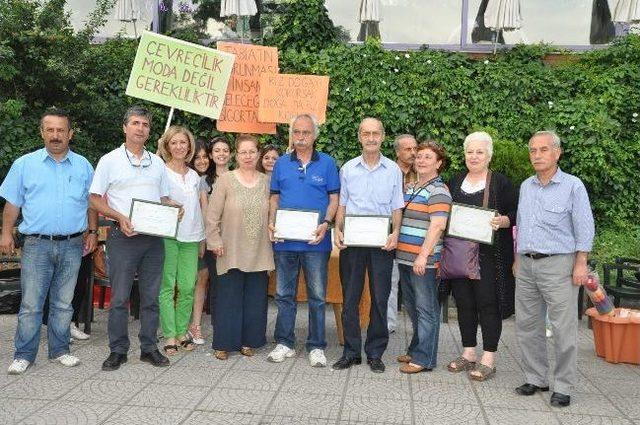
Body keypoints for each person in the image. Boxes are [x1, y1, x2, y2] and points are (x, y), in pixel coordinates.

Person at [0, 108, 97, 374]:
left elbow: (92, 203)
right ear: (42, 132)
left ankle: (60, 350)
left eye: (61, 130)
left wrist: (92, 232)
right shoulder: (24, 165)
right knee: (31, 303)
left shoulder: (83, 165)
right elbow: (12, 204)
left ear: (70, 134)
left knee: (64, 303)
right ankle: (24, 354)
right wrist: (6, 233)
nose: (56, 135)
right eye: (50, 130)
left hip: (73, 244)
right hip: (36, 244)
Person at [90, 105, 178, 371]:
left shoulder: (157, 162)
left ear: (150, 131)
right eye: (136, 123)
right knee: (119, 299)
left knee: (150, 297)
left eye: (145, 125)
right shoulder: (109, 160)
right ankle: (117, 350)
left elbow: (163, 198)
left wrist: (174, 208)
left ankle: (149, 348)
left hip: (153, 240)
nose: (141, 128)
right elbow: (94, 199)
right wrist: (119, 217)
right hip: (123, 237)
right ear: (125, 127)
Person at [514, 130, 594, 408]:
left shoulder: (573, 186)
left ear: (557, 153)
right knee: (526, 324)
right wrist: (517, 257)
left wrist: (581, 262)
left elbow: (584, 226)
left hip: (559, 264)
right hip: (526, 263)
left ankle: (563, 385)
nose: (537, 155)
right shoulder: (526, 186)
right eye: (533, 150)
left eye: (543, 150)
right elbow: (521, 225)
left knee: (563, 328)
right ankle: (536, 377)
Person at [266, 114, 340, 367]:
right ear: (291, 135)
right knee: (284, 294)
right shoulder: (281, 164)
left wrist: (326, 223)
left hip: (315, 242)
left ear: (315, 135)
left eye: (306, 133)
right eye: (296, 132)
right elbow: (274, 198)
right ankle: (284, 342)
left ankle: (316, 346)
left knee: (318, 296)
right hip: (285, 241)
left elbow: (334, 199)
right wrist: (272, 222)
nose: (300, 137)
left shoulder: (328, 163)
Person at [332, 118, 404, 373]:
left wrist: (395, 233)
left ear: (382, 137)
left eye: (376, 133)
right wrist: (338, 231)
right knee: (350, 298)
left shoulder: (394, 169)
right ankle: (351, 352)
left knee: (380, 298)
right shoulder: (348, 169)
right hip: (353, 242)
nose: (371, 138)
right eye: (366, 133)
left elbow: (397, 206)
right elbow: (342, 204)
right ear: (359, 136)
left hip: (382, 243)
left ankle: (375, 352)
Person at [446, 131, 517, 381]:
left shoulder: (501, 182)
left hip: (489, 256)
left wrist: (504, 220)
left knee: (488, 305)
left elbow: (517, 212)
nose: (474, 156)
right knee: (464, 302)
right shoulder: (455, 181)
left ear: (489, 155)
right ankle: (468, 353)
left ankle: (488, 358)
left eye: (479, 152)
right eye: (469, 151)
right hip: (458, 255)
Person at [206, 134, 274, 360]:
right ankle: (224, 343)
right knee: (228, 297)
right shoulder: (225, 180)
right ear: (237, 154)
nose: (247, 156)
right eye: (243, 152)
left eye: (252, 152)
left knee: (255, 298)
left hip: (259, 250)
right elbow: (212, 215)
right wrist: (214, 241)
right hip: (230, 249)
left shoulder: (267, 182)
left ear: (258, 154)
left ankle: (249, 340)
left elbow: (274, 213)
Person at [396, 141, 451, 373]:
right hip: (405, 258)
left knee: (426, 309)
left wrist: (422, 256)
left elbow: (438, 225)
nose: (421, 160)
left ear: (439, 163)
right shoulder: (412, 187)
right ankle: (416, 348)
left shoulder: (438, 190)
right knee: (412, 307)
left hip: (423, 262)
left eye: (428, 157)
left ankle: (425, 359)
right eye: (419, 157)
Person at [157, 126, 206, 355]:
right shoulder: (160, 172)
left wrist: (203, 238)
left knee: (187, 287)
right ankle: (169, 334)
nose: (179, 147)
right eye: (174, 142)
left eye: (183, 143)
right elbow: (157, 201)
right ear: (167, 146)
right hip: (169, 237)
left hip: (192, 237)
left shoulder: (195, 176)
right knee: (168, 286)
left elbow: (199, 208)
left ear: (189, 146)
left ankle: (181, 330)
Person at [188, 137, 230, 345]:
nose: (202, 160)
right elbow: (205, 213)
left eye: (205, 156)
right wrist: (205, 239)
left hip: (227, 239)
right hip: (198, 237)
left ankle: (212, 326)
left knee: (211, 281)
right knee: (197, 280)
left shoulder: (232, 177)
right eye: (198, 157)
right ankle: (191, 325)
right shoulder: (200, 181)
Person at [388, 134, 417, 334]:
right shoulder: (388, 172)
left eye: (414, 148)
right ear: (398, 152)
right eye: (407, 149)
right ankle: (389, 324)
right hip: (390, 233)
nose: (413, 153)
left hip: (415, 237)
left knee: (415, 284)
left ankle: (420, 326)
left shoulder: (422, 173)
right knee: (390, 282)